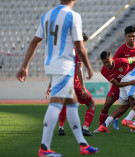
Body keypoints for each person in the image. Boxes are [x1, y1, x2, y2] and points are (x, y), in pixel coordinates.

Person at [16, 0, 98, 156]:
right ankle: (44, 148)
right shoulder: (73, 16)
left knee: (72, 103)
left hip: (51, 64)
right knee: (56, 103)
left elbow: (34, 42)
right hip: (64, 66)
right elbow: (80, 45)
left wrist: (24, 66)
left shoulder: (47, 15)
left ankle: (83, 144)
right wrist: (88, 66)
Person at [98, 26, 135, 131]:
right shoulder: (121, 50)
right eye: (129, 36)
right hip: (120, 82)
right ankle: (102, 126)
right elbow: (114, 64)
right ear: (125, 37)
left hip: (133, 80)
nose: (131, 38)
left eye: (133, 36)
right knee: (107, 105)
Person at [46, 33, 95, 137]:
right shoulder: (80, 51)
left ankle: (61, 128)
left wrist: (50, 85)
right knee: (91, 104)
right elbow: (79, 69)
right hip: (74, 83)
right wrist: (82, 87)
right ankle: (85, 128)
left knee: (64, 104)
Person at [93, 51, 135, 133]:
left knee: (133, 104)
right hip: (118, 86)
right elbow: (117, 84)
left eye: (107, 61)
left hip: (129, 85)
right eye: (104, 62)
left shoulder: (122, 61)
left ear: (112, 59)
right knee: (106, 105)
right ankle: (101, 127)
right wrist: (130, 82)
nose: (106, 64)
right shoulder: (103, 71)